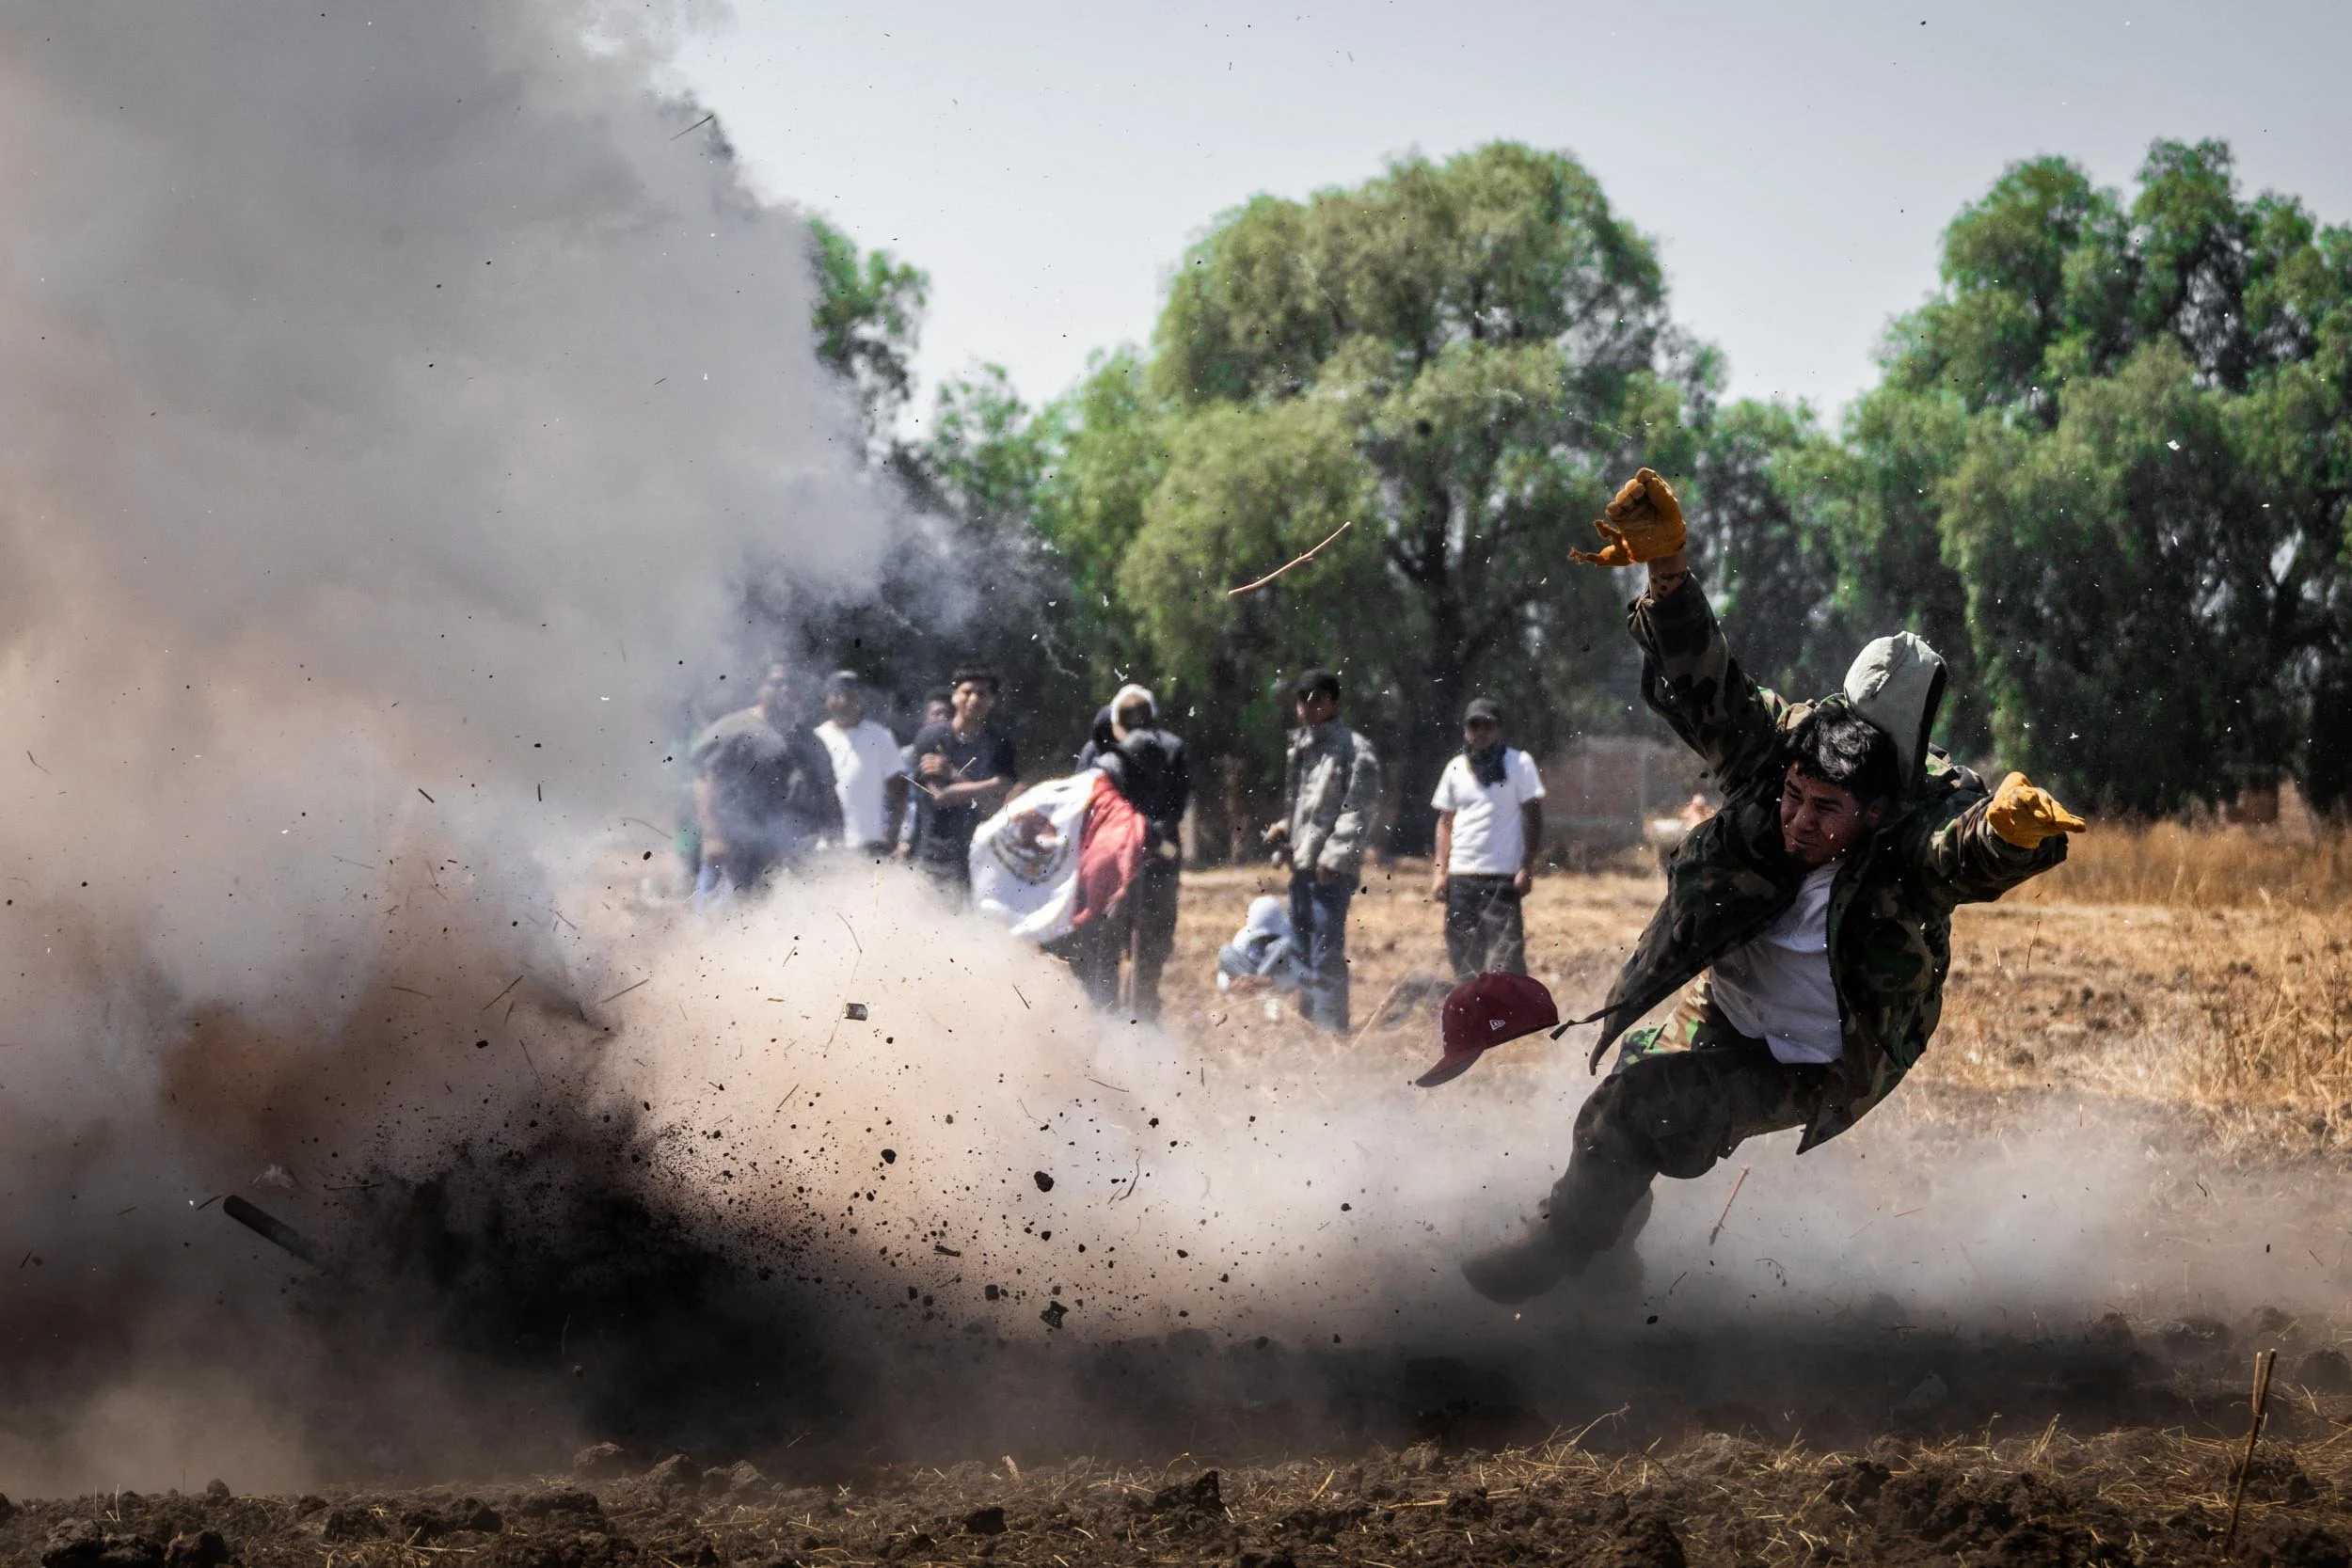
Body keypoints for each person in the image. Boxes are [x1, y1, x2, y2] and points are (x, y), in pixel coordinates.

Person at [1458, 467, 2087, 1304]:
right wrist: (1670, 573)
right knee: (1616, 1115)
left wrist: (2011, 833)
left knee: (1635, 1112)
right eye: (1793, 799)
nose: (1798, 823)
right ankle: (1602, 1263)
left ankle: (1563, 1249)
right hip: (1724, 1005)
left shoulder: (1918, 822)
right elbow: (1709, 687)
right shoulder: (1782, 746)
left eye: (1827, 812)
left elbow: (1959, 855)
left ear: (1876, 800)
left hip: (1813, 1053)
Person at [1262, 668, 1381, 1033]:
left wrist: (1335, 858)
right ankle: (1309, 1027)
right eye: (1302, 699)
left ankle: (1331, 1033)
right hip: (1301, 865)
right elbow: (1302, 805)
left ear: (1335, 703)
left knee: (1325, 953)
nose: (1308, 707)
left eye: (1317, 699)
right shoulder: (1301, 747)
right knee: (1300, 951)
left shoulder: (1354, 749)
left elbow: (1358, 809)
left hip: (1330, 871)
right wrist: (1285, 827)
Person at [1072, 684, 1192, 1019]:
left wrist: (1147, 835)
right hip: (1110, 861)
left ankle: (1142, 1018)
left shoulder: (1171, 748)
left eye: (1143, 714)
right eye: (1128, 715)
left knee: (1150, 946)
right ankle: (1104, 1016)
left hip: (1156, 860)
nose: (1136, 719)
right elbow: (1083, 800)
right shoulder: (1094, 751)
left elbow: (1174, 807)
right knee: (1104, 941)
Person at [689, 662, 841, 899]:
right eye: (777, 683)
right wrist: (712, 837)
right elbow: (704, 778)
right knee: (724, 925)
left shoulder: (811, 741)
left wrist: (835, 835)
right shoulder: (734, 729)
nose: (786, 689)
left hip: (796, 852)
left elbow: (828, 791)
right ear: (761, 687)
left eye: (793, 684)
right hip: (738, 850)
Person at [1428, 697, 1545, 980]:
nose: (1480, 732)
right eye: (1474, 725)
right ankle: (1475, 1019)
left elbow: (1534, 818)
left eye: (1487, 725)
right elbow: (1445, 822)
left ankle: (1515, 1020)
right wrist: (1440, 873)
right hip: (1462, 876)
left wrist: (1526, 868)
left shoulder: (1520, 763)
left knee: (1507, 957)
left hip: (1502, 878)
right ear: (1466, 730)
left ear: (1499, 729)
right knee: (1464, 956)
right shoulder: (1456, 768)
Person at [902, 665, 1018, 898]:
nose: (974, 699)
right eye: (967, 692)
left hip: (981, 854)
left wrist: (953, 774)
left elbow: (998, 807)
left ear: (992, 700)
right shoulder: (932, 737)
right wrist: (992, 785)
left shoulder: (1001, 744)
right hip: (935, 853)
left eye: (982, 694)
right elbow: (939, 797)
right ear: (955, 696)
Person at [812, 670, 906, 859]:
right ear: (827, 699)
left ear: (861, 699)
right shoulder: (816, 737)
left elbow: (899, 793)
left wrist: (891, 838)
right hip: (827, 848)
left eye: (850, 695)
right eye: (837, 694)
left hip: (871, 846)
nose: (843, 702)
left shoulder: (881, 736)